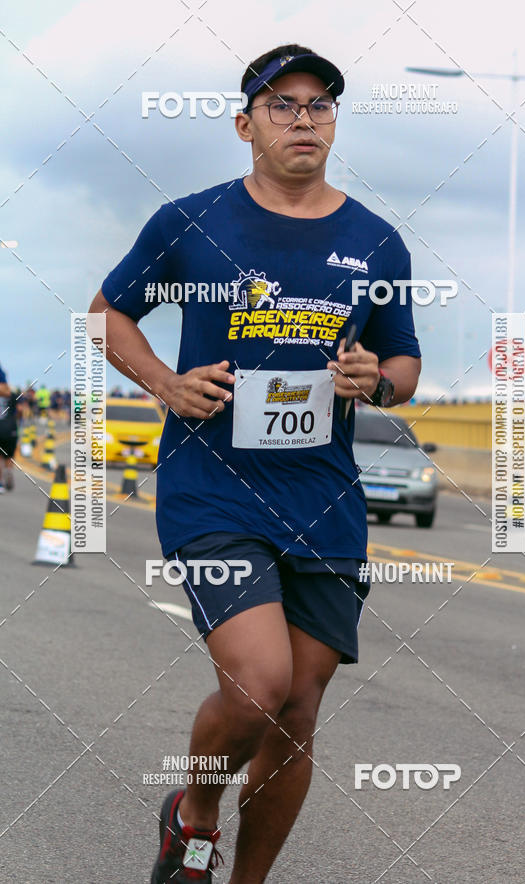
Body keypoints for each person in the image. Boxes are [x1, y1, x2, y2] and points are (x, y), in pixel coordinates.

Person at [91, 43, 421, 883]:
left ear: (334, 123)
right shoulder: (190, 223)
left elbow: (404, 364)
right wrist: (165, 382)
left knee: (296, 715)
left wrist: (376, 380)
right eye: (282, 104)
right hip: (214, 489)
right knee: (258, 686)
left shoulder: (377, 241)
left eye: (319, 105)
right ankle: (194, 813)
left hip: (324, 501)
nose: (303, 118)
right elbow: (104, 317)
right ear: (245, 126)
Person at [0, 364, 18, 493]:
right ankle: (8, 470)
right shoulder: (12, 394)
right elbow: (20, 410)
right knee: (9, 456)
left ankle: (0, 483)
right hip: (11, 427)